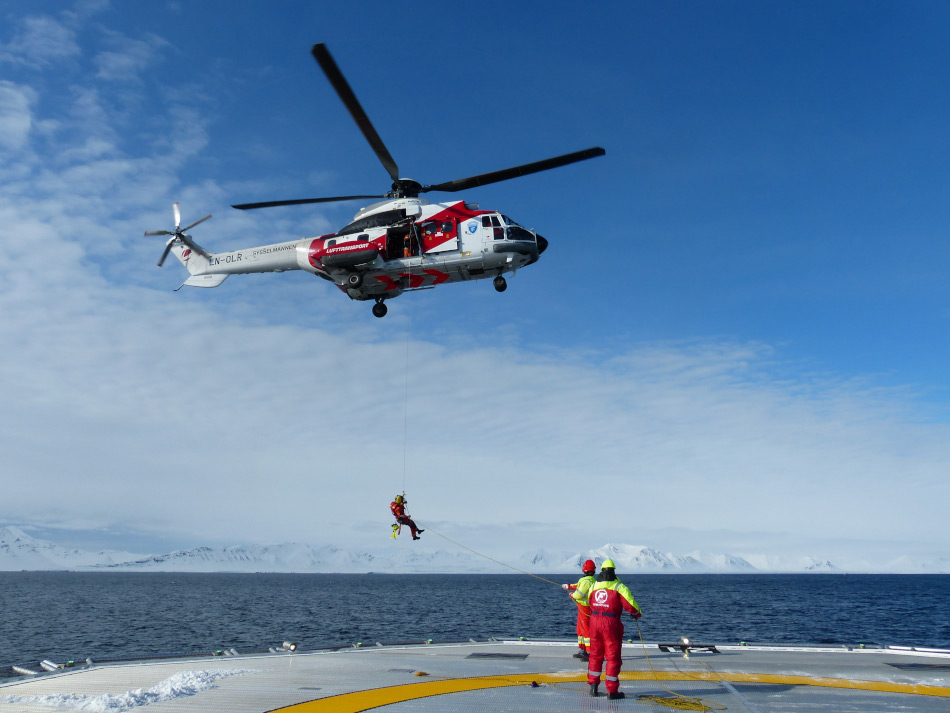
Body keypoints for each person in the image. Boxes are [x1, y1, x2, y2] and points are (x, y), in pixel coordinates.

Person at [587, 559, 642, 700]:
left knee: (595, 655)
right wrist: (636, 614)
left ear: (602, 570)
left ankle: (593, 687)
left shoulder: (594, 586)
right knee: (612, 657)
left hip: (594, 622)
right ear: (613, 571)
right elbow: (631, 606)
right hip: (611, 623)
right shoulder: (619, 586)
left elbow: (589, 601)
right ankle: (612, 691)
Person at [561, 559, 597, 660]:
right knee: (580, 629)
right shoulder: (588, 581)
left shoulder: (586, 582)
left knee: (586, 630)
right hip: (583, 608)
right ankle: (582, 650)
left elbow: (579, 594)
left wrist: (572, 595)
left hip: (585, 608)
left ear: (584, 570)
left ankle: (590, 653)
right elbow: (578, 585)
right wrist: (568, 586)